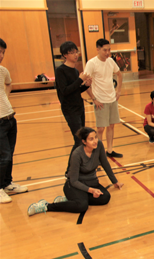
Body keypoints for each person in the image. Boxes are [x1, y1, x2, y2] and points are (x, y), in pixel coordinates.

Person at [27, 127, 124, 216]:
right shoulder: (77, 154)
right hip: (74, 185)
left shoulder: (99, 145)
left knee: (105, 197)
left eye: (95, 137)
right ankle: (46, 206)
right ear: (84, 141)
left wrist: (115, 181)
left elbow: (105, 163)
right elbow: (73, 181)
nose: (95, 141)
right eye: (91, 139)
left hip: (92, 183)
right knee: (82, 206)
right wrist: (91, 190)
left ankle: (71, 200)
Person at [55, 41, 92, 174]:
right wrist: (79, 80)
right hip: (70, 110)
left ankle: (78, 167)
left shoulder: (75, 70)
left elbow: (75, 90)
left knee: (81, 140)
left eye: (76, 51)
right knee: (78, 140)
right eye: (72, 52)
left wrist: (86, 85)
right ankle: (70, 170)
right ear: (65, 55)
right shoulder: (60, 71)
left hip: (79, 107)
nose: (76, 55)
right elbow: (65, 91)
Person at [85, 39, 123, 158]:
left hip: (112, 99)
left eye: (109, 50)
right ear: (98, 49)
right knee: (100, 129)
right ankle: (98, 154)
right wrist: (93, 98)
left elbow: (119, 74)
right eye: (105, 50)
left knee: (111, 126)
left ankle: (110, 151)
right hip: (100, 101)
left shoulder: (111, 61)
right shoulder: (92, 63)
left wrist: (118, 91)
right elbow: (85, 82)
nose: (107, 53)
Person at [0, 38, 28, 204]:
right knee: (3, 156)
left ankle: (7, 183)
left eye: (3, 52)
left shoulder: (3, 71)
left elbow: (8, 85)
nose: (1, 55)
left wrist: (5, 99)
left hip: (10, 118)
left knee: (9, 155)